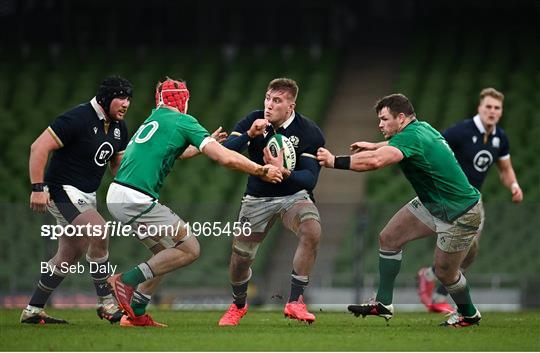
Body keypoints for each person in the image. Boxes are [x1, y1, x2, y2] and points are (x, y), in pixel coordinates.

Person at [106, 77, 282, 327]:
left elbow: (177, 152)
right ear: (184, 100)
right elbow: (225, 159)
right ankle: (126, 280)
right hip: (135, 197)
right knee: (190, 249)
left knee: (165, 253)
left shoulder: (154, 120)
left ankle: (136, 312)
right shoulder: (182, 121)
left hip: (120, 194)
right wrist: (260, 170)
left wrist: (203, 144)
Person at [317, 93, 484, 327]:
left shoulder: (411, 137)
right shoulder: (421, 128)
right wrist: (375, 144)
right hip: (433, 203)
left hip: (460, 212)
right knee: (389, 237)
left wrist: (334, 161)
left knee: (446, 274)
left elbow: (376, 162)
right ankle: (383, 303)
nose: (380, 124)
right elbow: (399, 146)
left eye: (385, 119)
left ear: (402, 118)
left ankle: (469, 313)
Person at [22, 76, 133, 324]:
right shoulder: (77, 118)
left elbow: (118, 167)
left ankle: (33, 309)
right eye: (121, 97)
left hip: (86, 195)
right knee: (99, 229)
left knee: (68, 255)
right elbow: (38, 147)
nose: (126, 103)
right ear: (105, 98)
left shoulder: (118, 127)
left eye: (129, 98)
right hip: (61, 190)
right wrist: (38, 188)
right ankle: (106, 302)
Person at [217, 78, 325, 326]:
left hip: (293, 196)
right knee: (240, 259)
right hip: (256, 198)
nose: (268, 105)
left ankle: (295, 301)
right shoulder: (253, 120)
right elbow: (223, 152)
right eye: (267, 98)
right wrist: (248, 135)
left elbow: (309, 179)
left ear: (291, 106)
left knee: (312, 229)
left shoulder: (309, 131)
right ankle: (239, 305)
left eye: (276, 100)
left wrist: (284, 171)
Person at [417, 87, 523, 313]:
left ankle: (434, 288)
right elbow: (434, 152)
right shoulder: (461, 131)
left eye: (497, 108)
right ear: (480, 108)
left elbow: (505, 169)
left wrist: (514, 186)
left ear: (501, 111)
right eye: (488, 107)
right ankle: (431, 283)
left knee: (469, 252)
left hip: (473, 201)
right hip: (446, 196)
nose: (492, 111)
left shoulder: (499, 137)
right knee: (459, 246)